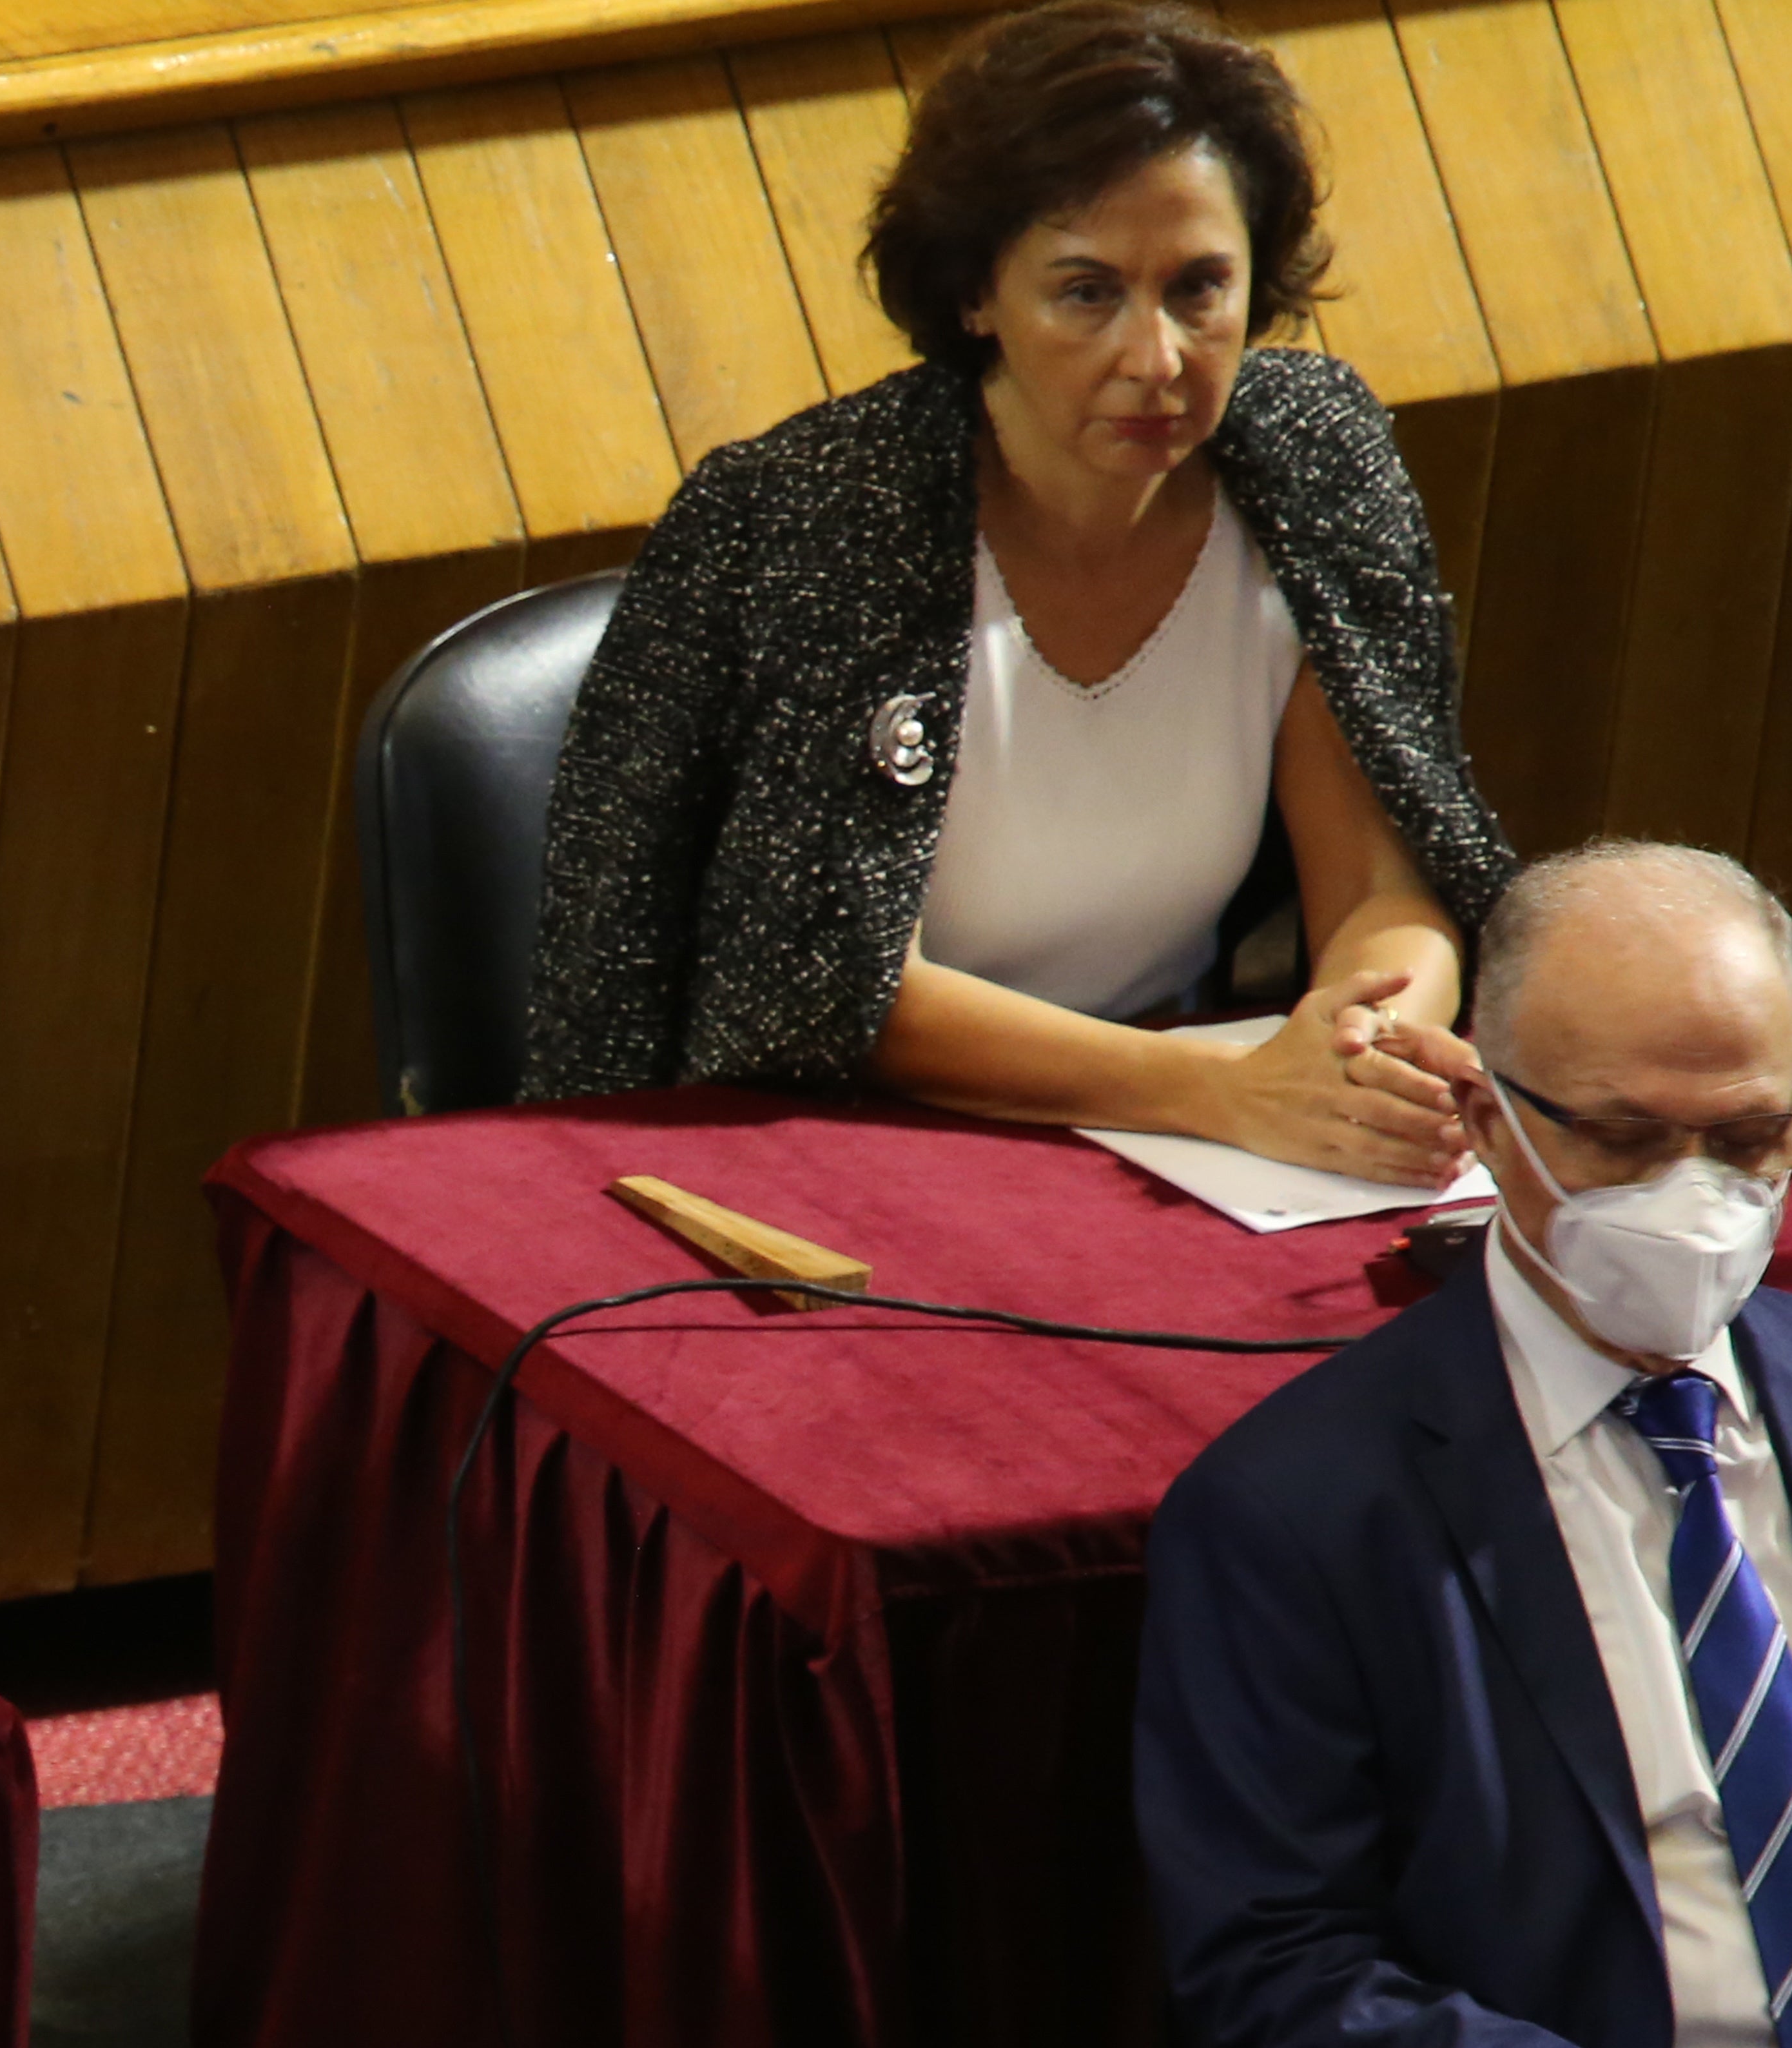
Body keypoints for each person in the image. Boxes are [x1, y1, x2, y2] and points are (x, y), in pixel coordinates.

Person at [522, 0, 1510, 1189]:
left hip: (1191, 1131)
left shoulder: (1307, 462)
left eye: (1200, 288)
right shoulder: (818, 515)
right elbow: (830, 989)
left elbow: (1380, 886)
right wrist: (1223, 1093)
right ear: (976, 294)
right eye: (1086, 293)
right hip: (846, 1147)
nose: (1157, 361)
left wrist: (1368, 1037)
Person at [1138, 842, 1792, 2048]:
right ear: (1483, 1112)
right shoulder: (1295, 1510)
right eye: (1622, 1136)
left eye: (1745, 1138)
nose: (1693, 1195)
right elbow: (1270, 1972)